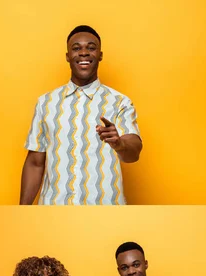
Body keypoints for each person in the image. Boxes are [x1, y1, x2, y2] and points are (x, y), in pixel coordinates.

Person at [20, 25, 142, 205]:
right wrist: (22, 211)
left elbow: (133, 152)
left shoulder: (120, 102)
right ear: (68, 56)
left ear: (100, 55)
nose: (84, 53)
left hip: (105, 211)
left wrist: (120, 144)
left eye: (91, 48)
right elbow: (35, 163)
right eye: (76, 48)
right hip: (54, 211)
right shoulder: (45, 102)